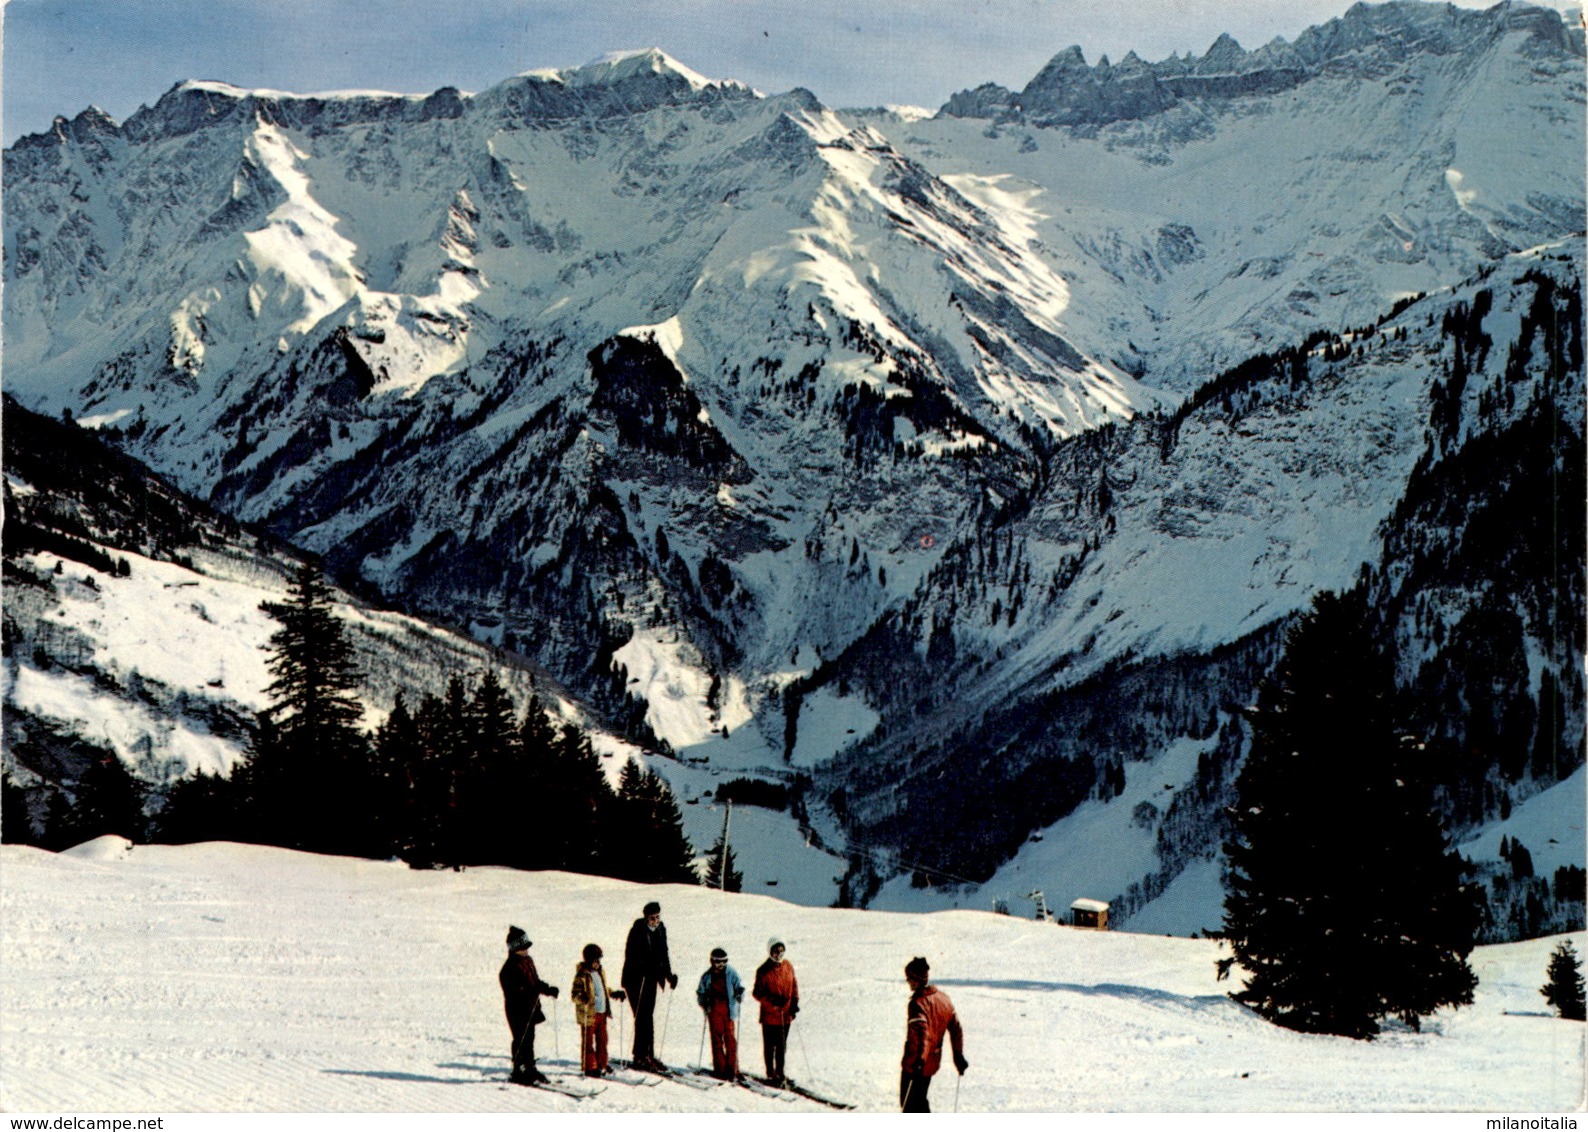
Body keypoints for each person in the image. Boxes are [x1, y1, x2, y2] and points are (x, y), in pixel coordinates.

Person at [899, 956, 966, 1112]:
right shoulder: (943, 999)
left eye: (909, 977)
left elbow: (924, 1035)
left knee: (909, 1106)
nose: (907, 981)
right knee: (919, 1101)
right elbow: (956, 1028)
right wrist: (958, 1055)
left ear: (916, 979)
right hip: (931, 1062)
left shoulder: (917, 1004)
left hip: (915, 1064)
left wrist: (920, 1060)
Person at [499, 926, 559, 1085]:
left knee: (530, 1038)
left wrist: (548, 989)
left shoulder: (528, 961)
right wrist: (530, 990)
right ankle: (518, 1070)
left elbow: (535, 982)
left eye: (526, 947)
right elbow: (513, 990)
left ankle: (530, 1068)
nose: (526, 951)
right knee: (520, 1039)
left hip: (531, 1007)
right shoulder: (508, 967)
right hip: (517, 1009)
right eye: (522, 948)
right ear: (514, 949)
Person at [621, 901, 678, 1070]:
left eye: (658, 917)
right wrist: (642, 967)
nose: (656, 921)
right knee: (641, 1016)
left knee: (648, 1017)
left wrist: (668, 976)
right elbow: (630, 954)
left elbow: (663, 953)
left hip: (651, 979)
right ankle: (639, 1055)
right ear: (646, 917)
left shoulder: (661, 930)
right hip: (635, 980)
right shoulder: (637, 930)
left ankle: (648, 1054)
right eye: (653, 918)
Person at [571, 943, 626, 1077]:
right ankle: (590, 1067)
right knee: (588, 1041)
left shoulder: (600, 973)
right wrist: (581, 997)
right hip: (588, 1014)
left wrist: (613, 994)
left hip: (602, 1012)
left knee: (602, 1040)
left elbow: (603, 989)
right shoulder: (582, 975)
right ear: (588, 960)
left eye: (598, 960)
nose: (597, 963)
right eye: (595, 960)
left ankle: (602, 1063)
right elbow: (574, 995)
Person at [752, 937, 799, 1086]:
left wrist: (794, 1003)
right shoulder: (763, 970)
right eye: (775, 951)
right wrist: (772, 1001)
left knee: (782, 1046)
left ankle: (780, 1072)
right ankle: (771, 1074)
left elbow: (794, 984)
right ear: (769, 952)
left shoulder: (788, 966)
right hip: (770, 1016)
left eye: (781, 950)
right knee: (770, 1046)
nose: (778, 954)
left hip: (785, 1016)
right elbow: (757, 993)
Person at [695, 947, 745, 1080]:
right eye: (717, 962)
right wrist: (704, 1002)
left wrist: (739, 993)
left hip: (728, 1012)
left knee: (730, 1040)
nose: (720, 964)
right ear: (712, 961)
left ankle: (732, 1068)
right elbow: (701, 992)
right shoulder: (707, 976)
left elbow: (739, 985)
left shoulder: (731, 973)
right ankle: (720, 1068)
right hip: (714, 1011)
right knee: (717, 1039)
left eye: (723, 961)